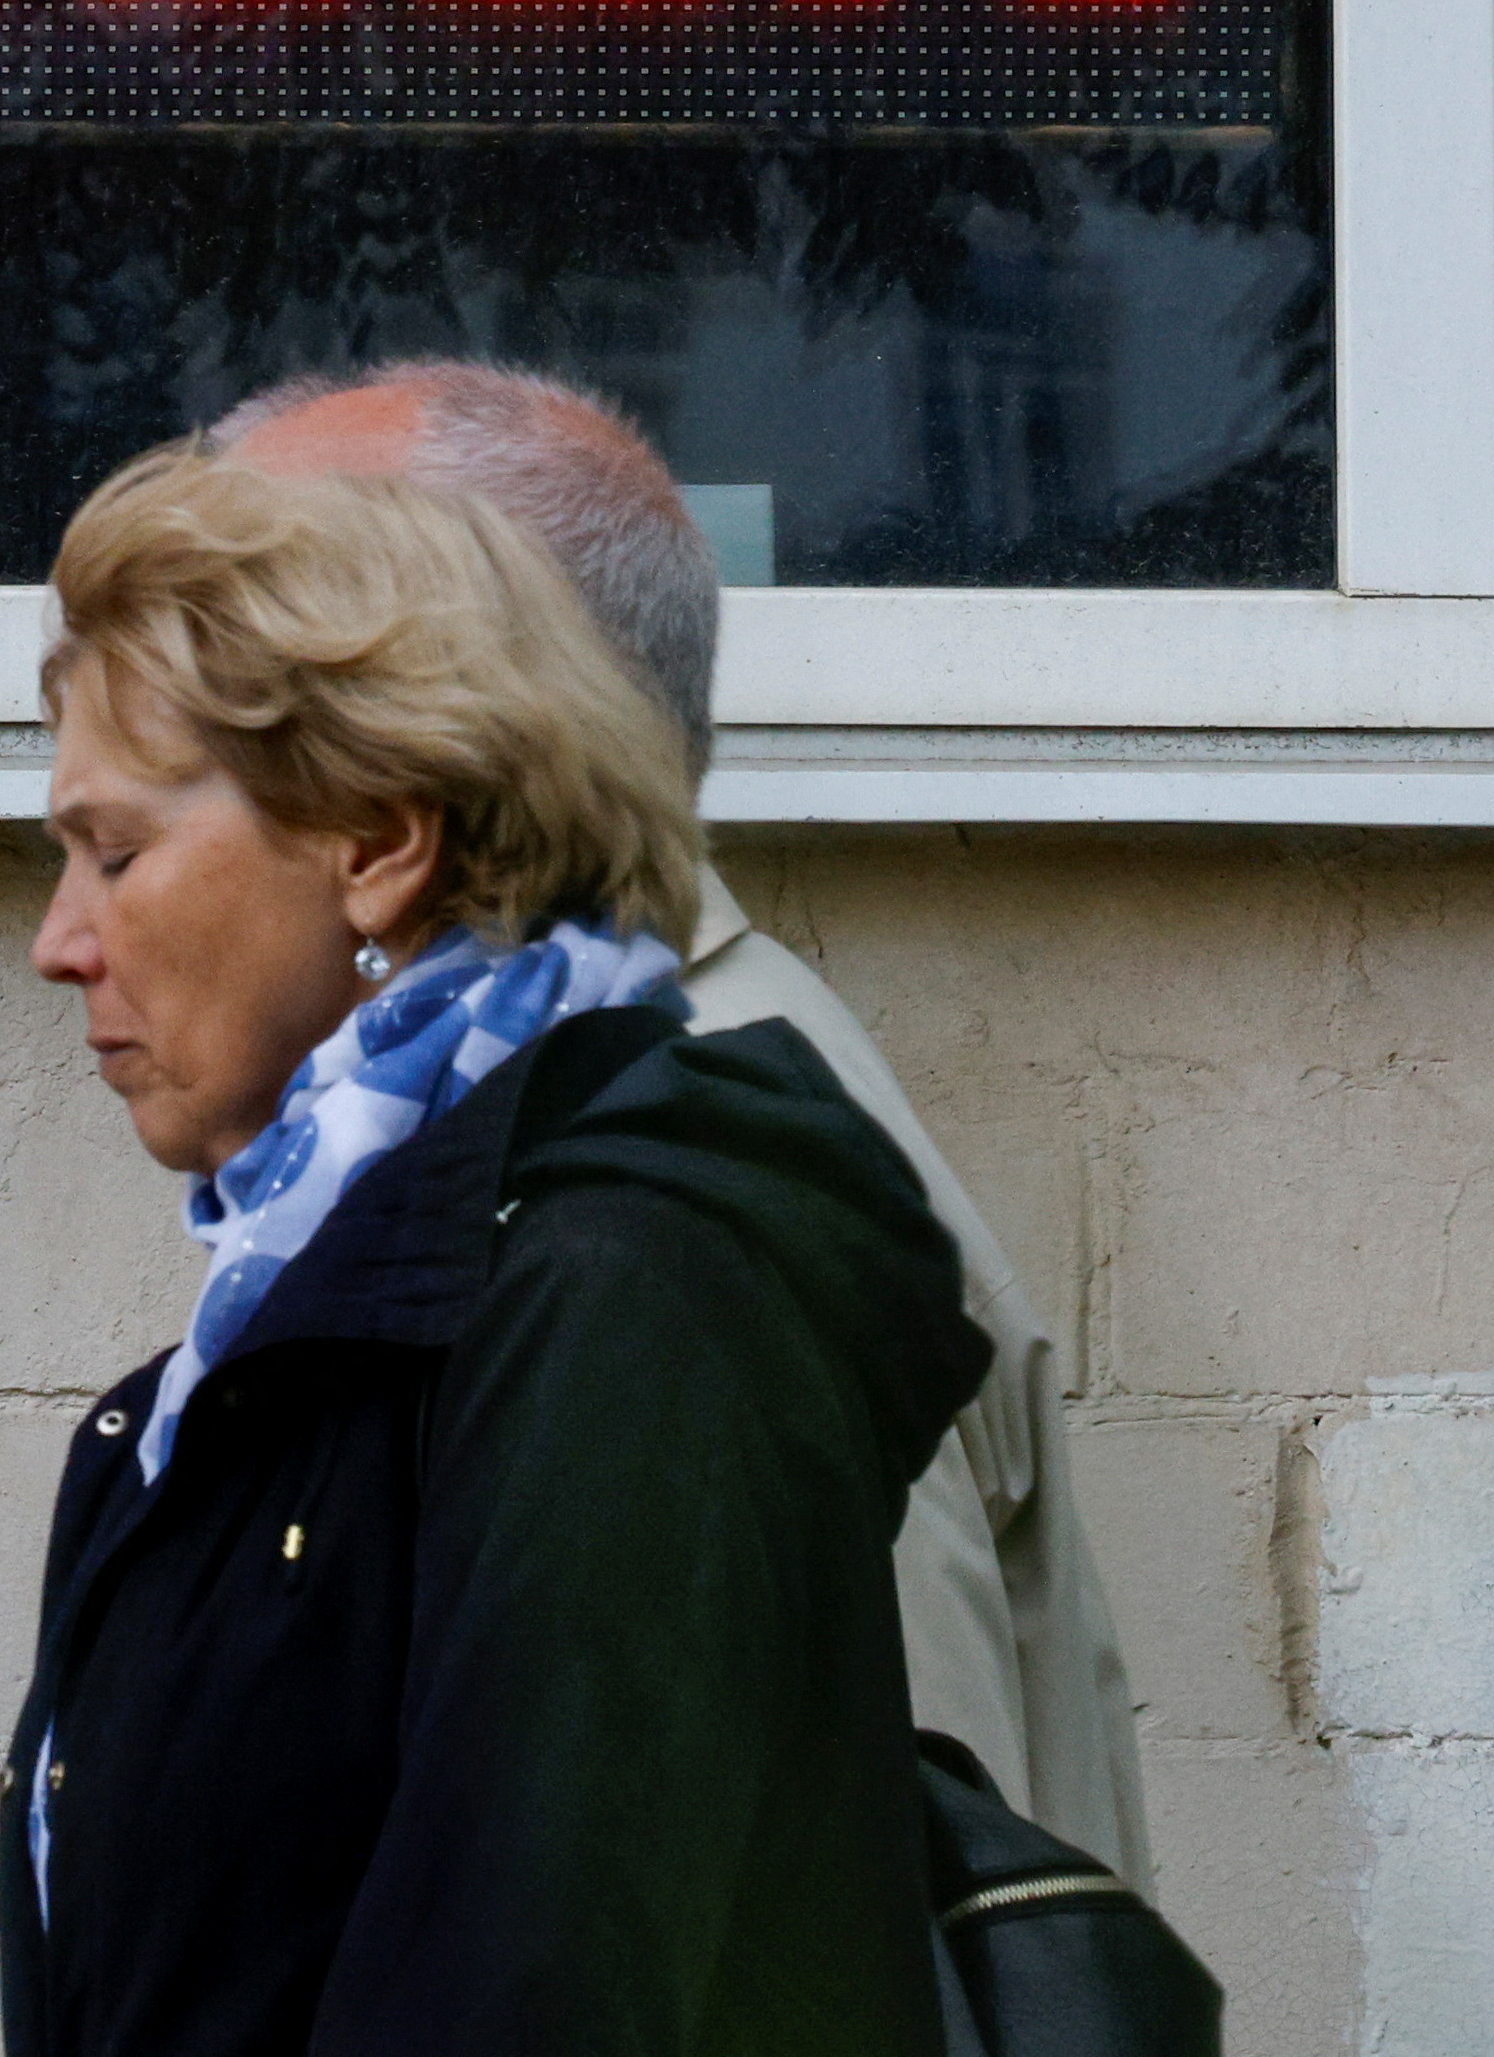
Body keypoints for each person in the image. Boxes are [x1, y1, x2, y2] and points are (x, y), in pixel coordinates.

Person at [9, 441, 989, 2057]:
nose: (60, 942)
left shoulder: (626, 1297)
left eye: (114, 854)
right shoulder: (255, 1367)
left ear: (377, 843)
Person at [218, 360, 1150, 1883]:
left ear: (452, 738)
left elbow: (856, 1924)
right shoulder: (504, 1113)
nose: (171, 750)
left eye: (243, 682)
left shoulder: (689, 1200)